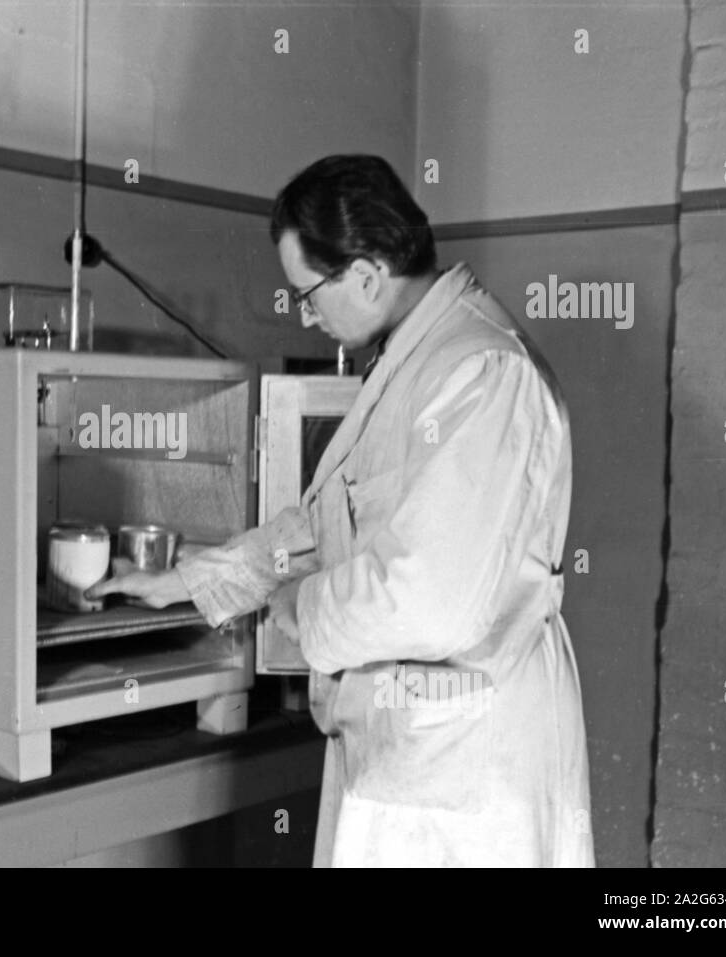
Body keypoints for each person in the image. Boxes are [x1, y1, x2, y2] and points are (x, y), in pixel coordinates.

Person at [89, 155, 594, 867]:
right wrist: (187, 579)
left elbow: (428, 600)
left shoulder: (482, 371)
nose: (306, 313)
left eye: (307, 293)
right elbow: (329, 522)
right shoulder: (413, 359)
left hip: (460, 769)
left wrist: (296, 607)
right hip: (407, 751)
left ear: (365, 272)